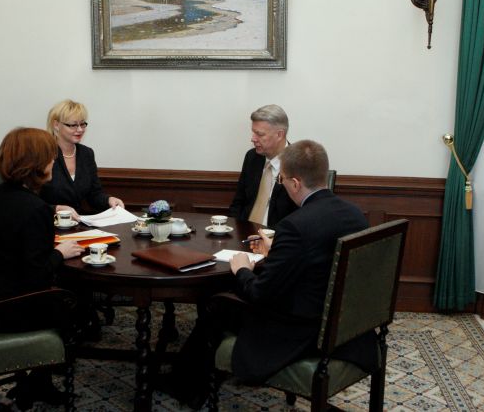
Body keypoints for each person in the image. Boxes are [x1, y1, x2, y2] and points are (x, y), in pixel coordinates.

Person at [161, 140, 377, 408]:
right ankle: (193, 381)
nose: (281, 184)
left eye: (282, 180)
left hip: (304, 329)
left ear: (295, 183)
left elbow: (260, 294)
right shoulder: (354, 214)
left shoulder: (295, 226)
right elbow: (320, 261)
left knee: (219, 304)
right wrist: (278, 252)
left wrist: (242, 269)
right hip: (347, 326)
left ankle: (185, 386)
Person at [0, 127, 83, 409]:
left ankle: (36, 383)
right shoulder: (35, 208)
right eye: (50, 158)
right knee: (72, 304)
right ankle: (40, 378)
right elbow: (38, 277)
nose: (53, 163)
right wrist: (59, 253)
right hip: (0, 309)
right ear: (35, 164)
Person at [40, 99, 123, 221]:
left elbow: (94, 194)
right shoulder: (42, 153)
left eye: (82, 124)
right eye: (73, 125)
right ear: (56, 125)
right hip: (47, 223)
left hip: (78, 224)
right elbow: (29, 200)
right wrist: (56, 209)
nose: (80, 130)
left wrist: (108, 200)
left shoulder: (86, 153)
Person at [228, 104, 298, 228]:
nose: (253, 139)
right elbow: (238, 203)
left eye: (259, 134)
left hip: (277, 236)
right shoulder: (252, 157)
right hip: (244, 232)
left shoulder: (298, 164)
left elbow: (299, 217)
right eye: (253, 133)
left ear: (279, 135)